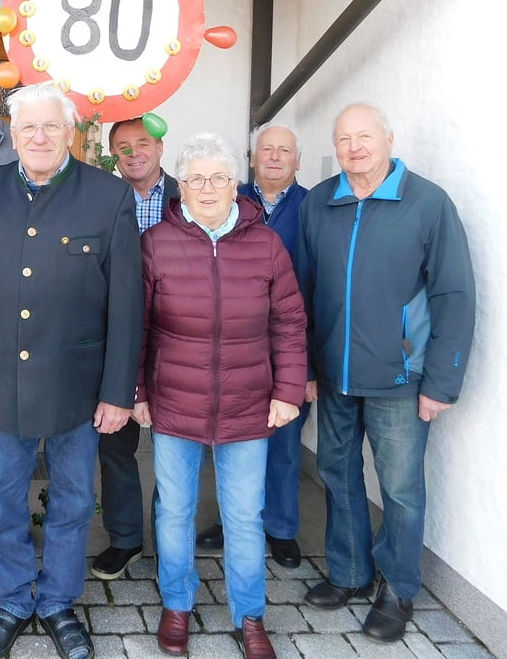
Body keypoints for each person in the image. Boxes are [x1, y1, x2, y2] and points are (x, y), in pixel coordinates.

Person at [0, 82, 143, 659]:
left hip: (79, 387)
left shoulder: (109, 195)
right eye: (28, 127)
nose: (39, 137)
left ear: (71, 134)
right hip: (1, 384)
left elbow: (127, 305)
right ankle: (13, 599)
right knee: (5, 497)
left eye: (51, 126)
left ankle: (58, 600)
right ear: (13, 134)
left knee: (75, 500)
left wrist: (118, 391)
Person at [297, 104, 476, 643]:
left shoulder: (427, 203)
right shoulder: (319, 202)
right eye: (344, 138)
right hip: (334, 375)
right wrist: (304, 366)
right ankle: (350, 573)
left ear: (389, 140)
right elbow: (301, 292)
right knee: (337, 474)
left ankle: (398, 588)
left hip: (400, 379)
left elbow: (454, 295)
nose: (354, 148)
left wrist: (441, 382)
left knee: (399, 489)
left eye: (365, 137)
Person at [135, 132, 306, 659]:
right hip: (174, 400)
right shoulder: (157, 243)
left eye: (218, 178)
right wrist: (137, 390)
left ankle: (249, 614)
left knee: (244, 516)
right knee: (174, 511)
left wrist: (288, 390)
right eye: (196, 179)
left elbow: (289, 323)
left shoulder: (266, 244)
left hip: (248, 402)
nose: (207, 188)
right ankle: (177, 604)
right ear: (181, 187)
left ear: (236, 186)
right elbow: (136, 325)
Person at [195, 123, 316, 569]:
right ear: (251, 158)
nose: (275, 157)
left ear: (298, 160)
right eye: (267, 149)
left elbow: (316, 288)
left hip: (288, 347)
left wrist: (308, 369)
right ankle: (231, 522)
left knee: (283, 444)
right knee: (231, 442)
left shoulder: (312, 207)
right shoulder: (231, 198)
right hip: (233, 349)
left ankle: (280, 529)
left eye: (285, 150)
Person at [90, 117, 177, 581]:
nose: (133, 153)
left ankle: (171, 539)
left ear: (160, 147)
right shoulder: (102, 198)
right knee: (115, 440)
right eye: (122, 147)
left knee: (175, 447)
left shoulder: (188, 196)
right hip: (118, 333)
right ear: (113, 155)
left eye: (142, 143)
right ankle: (125, 538)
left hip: (177, 336)